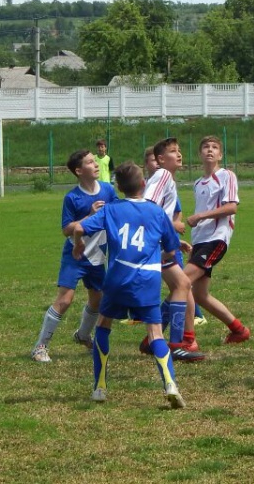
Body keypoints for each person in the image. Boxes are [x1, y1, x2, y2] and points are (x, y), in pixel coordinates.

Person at [71, 162, 190, 409]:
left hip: (117, 279)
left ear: (119, 187)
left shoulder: (112, 209)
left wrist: (77, 244)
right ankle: (170, 384)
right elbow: (168, 249)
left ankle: (100, 387)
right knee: (155, 333)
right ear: (144, 184)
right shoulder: (156, 211)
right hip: (146, 281)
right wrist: (173, 249)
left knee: (103, 325)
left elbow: (80, 227)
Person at [30, 150, 116, 363]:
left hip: (97, 255)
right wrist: (90, 216)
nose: (96, 164)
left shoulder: (108, 190)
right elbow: (67, 229)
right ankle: (40, 347)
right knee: (65, 299)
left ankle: (83, 335)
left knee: (98, 299)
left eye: (95, 161)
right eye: (90, 162)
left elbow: (116, 215)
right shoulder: (72, 197)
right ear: (79, 171)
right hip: (75, 254)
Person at [140, 138, 203, 362]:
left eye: (179, 150)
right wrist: (165, 238)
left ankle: (155, 341)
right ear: (160, 159)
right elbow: (150, 207)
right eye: (173, 151)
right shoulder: (164, 175)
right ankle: (175, 344)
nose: (179, 155)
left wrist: (173, 240)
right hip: (154, 245)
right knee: (182, 285)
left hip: (158, 242)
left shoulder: (167, 178)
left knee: (183, 284)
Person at [184, 135, 251, 345]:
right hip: (201, 240)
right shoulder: (197, 183)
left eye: (214, 147)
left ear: (220, 155)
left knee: (182, 282)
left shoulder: (226, 176)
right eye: (205, 147)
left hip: (217, 239)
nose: (210, 150)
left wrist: (200, 217)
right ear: (200, 154)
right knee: (200, 295)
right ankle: (239, 330)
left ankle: (187, 339)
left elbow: (231, 207)